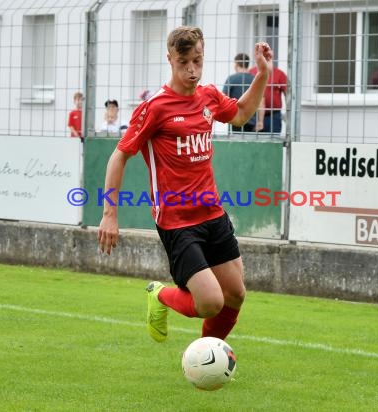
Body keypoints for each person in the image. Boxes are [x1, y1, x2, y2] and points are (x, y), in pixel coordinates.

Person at [97, 26, 272, 343]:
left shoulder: (208, 96)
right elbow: (118, 158)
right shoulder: (155, 108)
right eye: (184, 63)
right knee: (210, 302)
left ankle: (210, 359)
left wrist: (263, 74)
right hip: (178, 223)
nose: (192, 70)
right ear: (170, 60)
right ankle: (160, 295)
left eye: (197, 61)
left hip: (213, 214)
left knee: (235, 295)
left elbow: (242, 114)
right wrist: (110, 214)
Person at [223, 53, 264, 133]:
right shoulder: (255, 80)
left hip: (235, 119)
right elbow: (261, 103)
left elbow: (223, 98)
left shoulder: (231, 79)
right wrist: (260, 121)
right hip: (252, 120)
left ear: (237, 64)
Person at [249, 57, 286, 133]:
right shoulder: (251, 72)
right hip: (254, 116)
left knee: (274, 141)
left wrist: (288, 112)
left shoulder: (280, 74)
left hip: (273, 116)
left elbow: (288, 94)